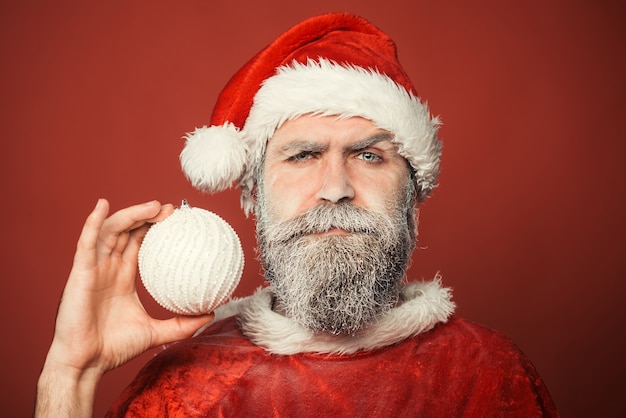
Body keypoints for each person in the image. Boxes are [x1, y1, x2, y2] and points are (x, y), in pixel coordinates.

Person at [35, 13, 559, 417]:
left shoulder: (491, 377)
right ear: (251, 198)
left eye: (369, 155)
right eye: (304, 155)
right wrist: (71, 374)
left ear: (414, 201)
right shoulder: (184, 390)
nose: (335, 188)